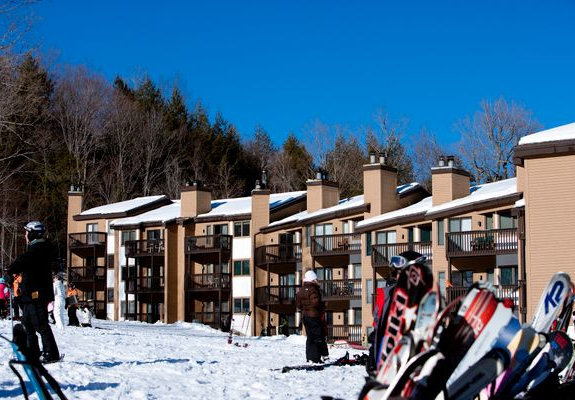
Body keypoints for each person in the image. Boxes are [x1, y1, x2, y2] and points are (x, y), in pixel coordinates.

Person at [2, 221, 61, 363]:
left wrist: (11, 271)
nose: (25, 235)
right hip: (29, 294)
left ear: (33, 234)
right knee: (27, 323)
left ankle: (51, 353)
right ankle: (32, 352)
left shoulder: (39, 249)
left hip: (37, 293)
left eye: (27, 232)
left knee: (40, 323)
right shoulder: (36, 248)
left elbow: (24, 261)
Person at [295, 270, 329, 363]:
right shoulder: (313, 289)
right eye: (316, 279)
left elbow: (298, 305)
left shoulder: (301, 290)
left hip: (305, 316)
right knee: (318, 337)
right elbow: (315, 302)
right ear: (313, 279)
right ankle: (315, 358)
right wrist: (323, 305)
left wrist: (305, 308)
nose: (317, 281)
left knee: (310, 337)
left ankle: (309, 358)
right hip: (314, 316)